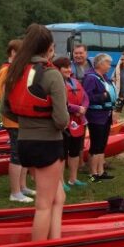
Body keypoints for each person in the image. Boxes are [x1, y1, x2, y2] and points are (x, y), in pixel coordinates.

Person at [5, 24, 68, 241]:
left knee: (58, 196)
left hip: (25, 142)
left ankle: (55, 242)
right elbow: (61, 120)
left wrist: (28, 123)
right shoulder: (52, 75)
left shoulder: (15, 71)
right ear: (50, 47)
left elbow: (7, 111)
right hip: (48, 144)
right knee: (43, 204)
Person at [0, 39, 34, 203]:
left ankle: (22, 185)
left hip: (22, 119)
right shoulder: (6, 70)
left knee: (24, 153)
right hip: (13, 119)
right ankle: (15, 191)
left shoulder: (15, 69)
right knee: (16, 154)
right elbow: (6, 95)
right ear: (13, 53)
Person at [54, 56, 88, 189]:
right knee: (62, 154)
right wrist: (77, 108)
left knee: (75, 151)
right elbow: (61, 103)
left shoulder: (74, 81)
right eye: (65, 67)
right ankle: (60, 182)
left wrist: (83, 108)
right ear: (57, 69)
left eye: (69, 66)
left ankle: (73, 179)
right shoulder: (57, 83)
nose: (68, 69)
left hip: (78, 120)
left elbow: (85, 97)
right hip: (64, 122)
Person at [83, 53, 117, 182]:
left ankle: (100, 171)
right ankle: (93, 173)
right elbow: (86, 97)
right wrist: (102, 96)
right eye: (108, 63)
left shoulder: (105, 78)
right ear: (100, 64)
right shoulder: (91, 78)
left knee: (102, 145)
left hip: (106, 115)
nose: (109, 66)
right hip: (96, 116)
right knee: (96, 145)